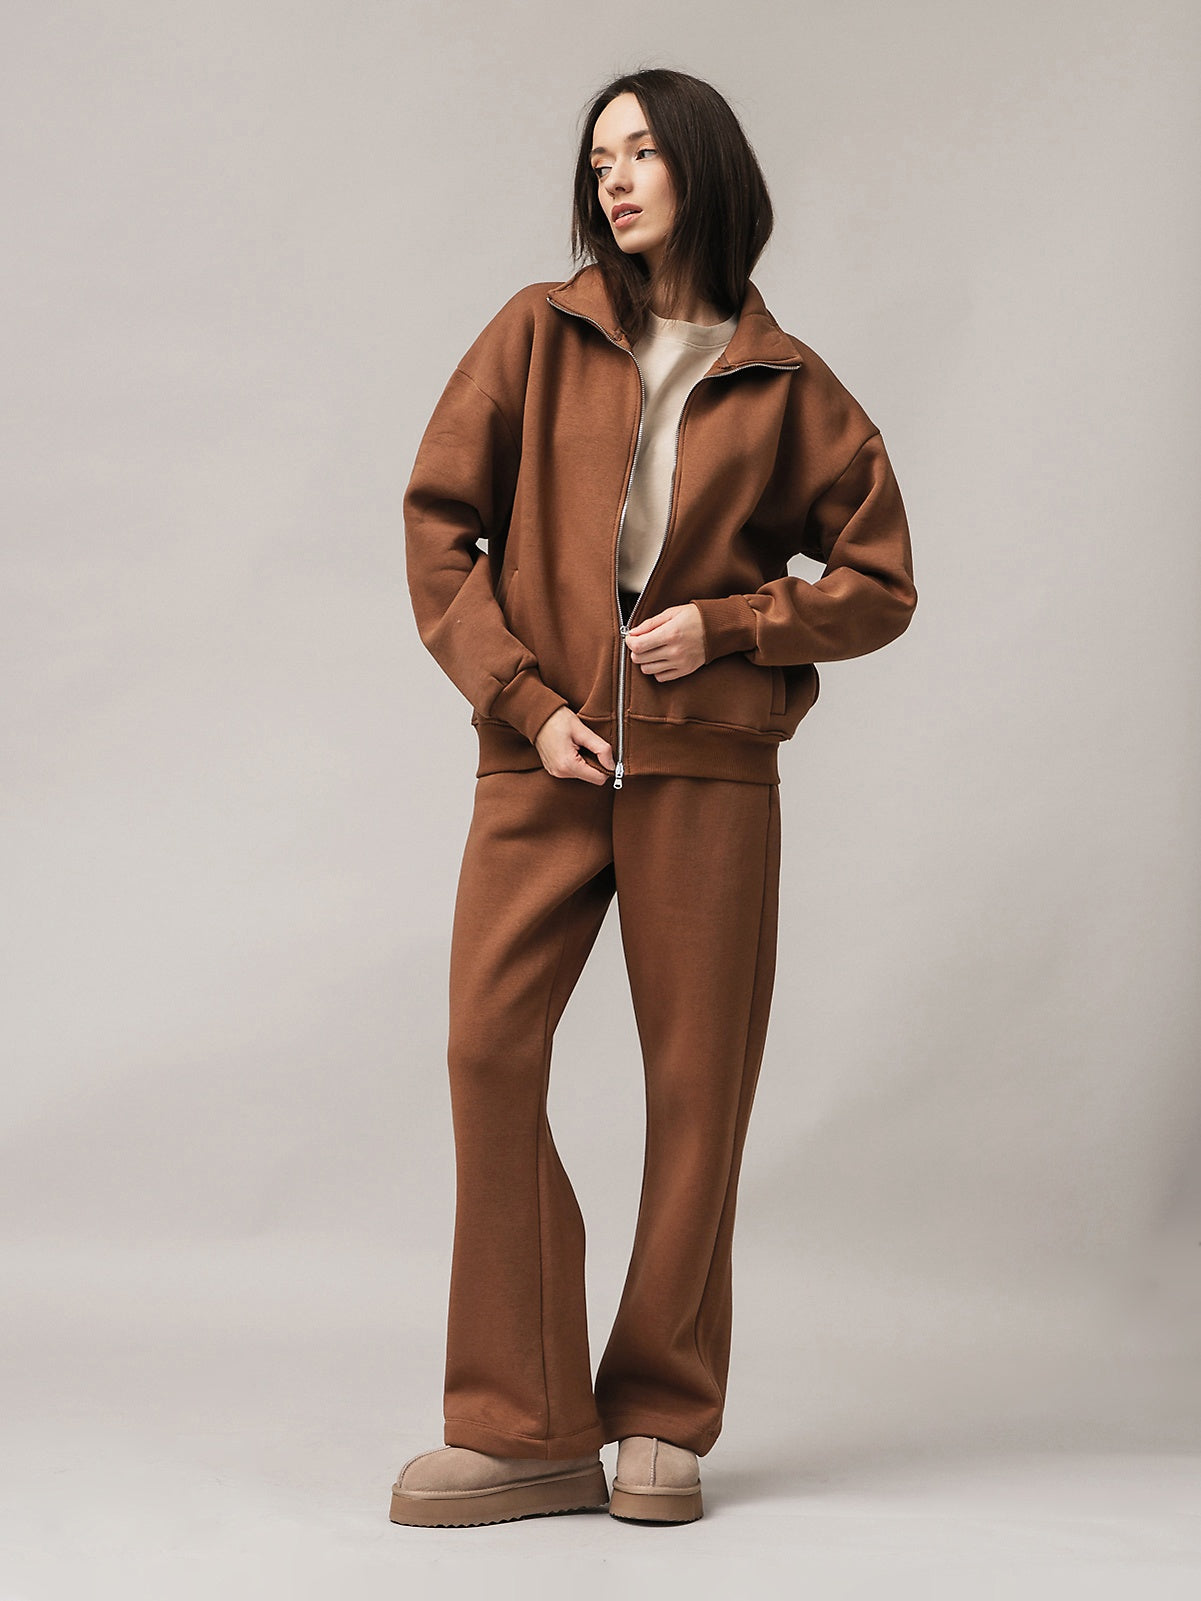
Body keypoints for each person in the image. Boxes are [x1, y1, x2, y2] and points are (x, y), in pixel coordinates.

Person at [389, 66, 917, 1529]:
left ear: (702, 167)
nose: (614, 178)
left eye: (640, 152)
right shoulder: (536, 332)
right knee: (489, 1052)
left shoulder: (788, 381)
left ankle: (665, 1413)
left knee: (698, 1088)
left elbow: (878, 584)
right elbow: (440, 527)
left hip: (709, 772)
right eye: (598, 158)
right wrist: (525, 703)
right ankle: (526, 1421)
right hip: (544, 755)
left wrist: (736, 626)